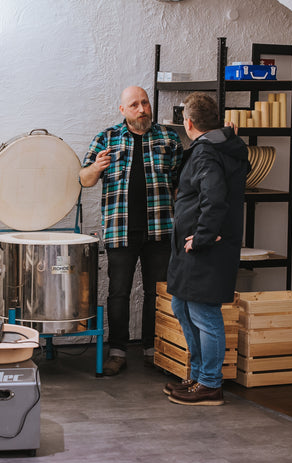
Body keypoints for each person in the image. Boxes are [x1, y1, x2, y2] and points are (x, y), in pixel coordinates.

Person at [80, 86, 183, 375]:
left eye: (145, 103)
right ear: (123, 110)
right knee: (118, 293)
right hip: (120, 230)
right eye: (135, 105)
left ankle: (154, 349)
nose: (142, 109)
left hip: (160, 229)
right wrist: (97, 168)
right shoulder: (106, 138)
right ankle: (117, 352)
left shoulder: (169, 138)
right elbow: (84, 179)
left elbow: (180, 182)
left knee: (157, 292)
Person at [165, 92, 249, 405]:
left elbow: (214, 198)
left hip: (202, 247)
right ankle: (199, 376)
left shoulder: (206, 152)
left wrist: (202, 236)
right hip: (196, 246)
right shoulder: (220, 144)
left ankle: (210, 383)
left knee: (203, 311)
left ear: (188, 123)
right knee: (182, 306)